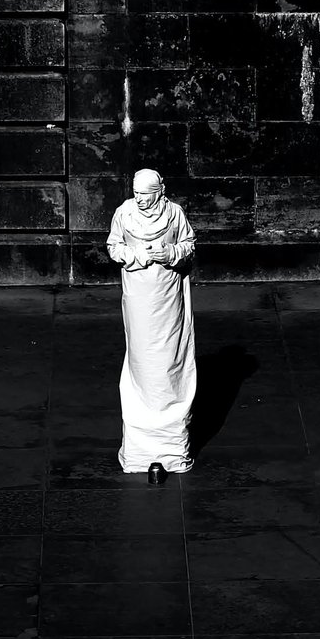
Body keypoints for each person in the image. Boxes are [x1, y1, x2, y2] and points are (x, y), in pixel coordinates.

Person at [106, 168, 197, 475]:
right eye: (136, 194)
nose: (141, 200)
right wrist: (138, 256)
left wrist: (168, 252)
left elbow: (189, 245)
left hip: (167, 296)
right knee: (142, 359)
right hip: (139, 296)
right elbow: (114, 246)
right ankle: (141, 443)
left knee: (168, 360)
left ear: (160, 191)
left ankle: (170, 438)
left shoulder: (175, 214)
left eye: (146, 195)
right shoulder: (124, 213)